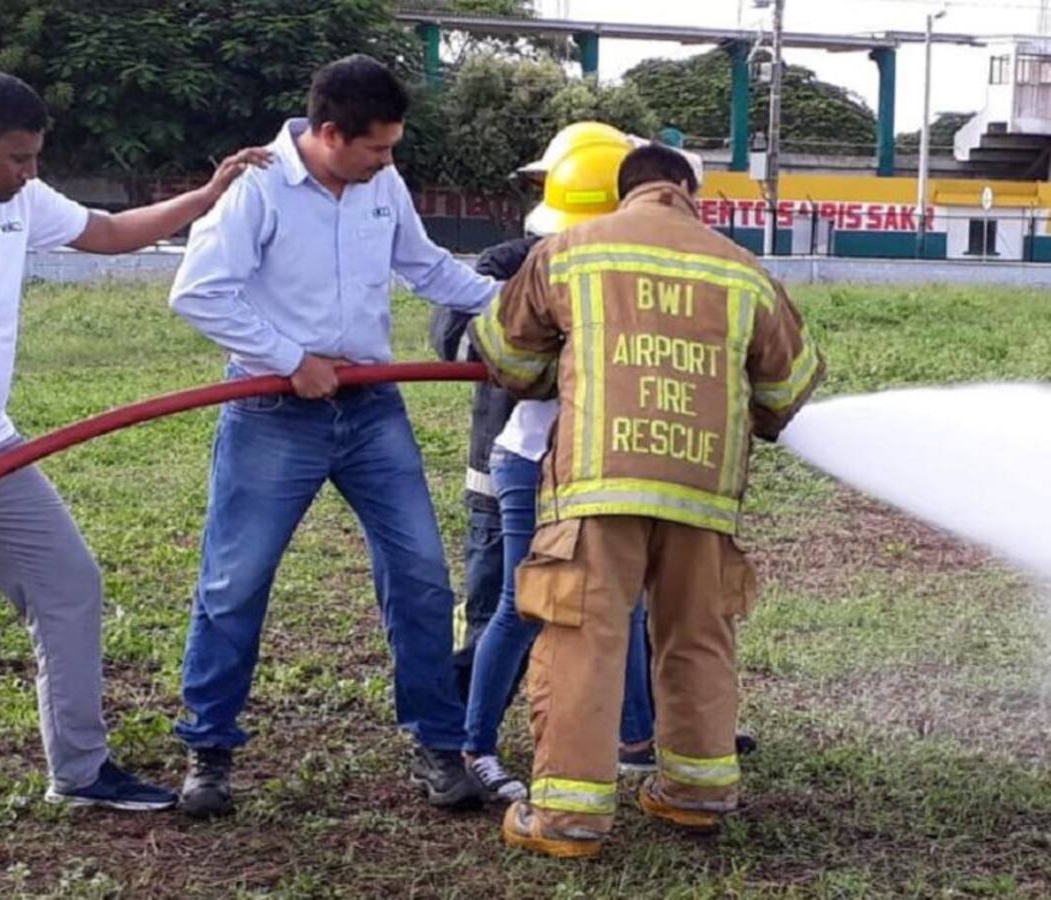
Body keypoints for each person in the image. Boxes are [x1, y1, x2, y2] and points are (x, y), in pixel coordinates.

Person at [0, 71, 267, 811]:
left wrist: (207, 197)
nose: (31, 173)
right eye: (18, 159)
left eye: (36, 157)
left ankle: (79, 773)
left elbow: (107, 234)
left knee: (68, 585)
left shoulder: (18, 200)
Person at [167, 55, 498, 820]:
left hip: (372, 405)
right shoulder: (257, 189)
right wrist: (291, 360)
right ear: (327, 134)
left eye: (392, 149)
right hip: (274, 415)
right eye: (377, 148)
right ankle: (209, 748)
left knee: (421, 576)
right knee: (234, 584)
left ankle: (438, 746)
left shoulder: (381, 186)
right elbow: (198, 292)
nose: (390, 162)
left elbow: (428, 268)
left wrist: (520, 300)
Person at [471, 143, 823, 858]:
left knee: (584, 636)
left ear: (619, 193)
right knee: (697, 632)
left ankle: (568, 818)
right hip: (703, 492)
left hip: (599, 484)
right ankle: (695, 794)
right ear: (689, 192)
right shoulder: (742, 267)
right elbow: (786, 392)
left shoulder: (570, 251)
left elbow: (506, 357)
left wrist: (564, 368)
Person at [436, 133, 660, 804]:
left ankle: (639, 743)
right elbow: (476, 348)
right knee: (519, 604)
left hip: (603, 464)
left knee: (629, 604)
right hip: (532, 461)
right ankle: (475, 745)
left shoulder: (634, 271)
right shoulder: (528, 271)